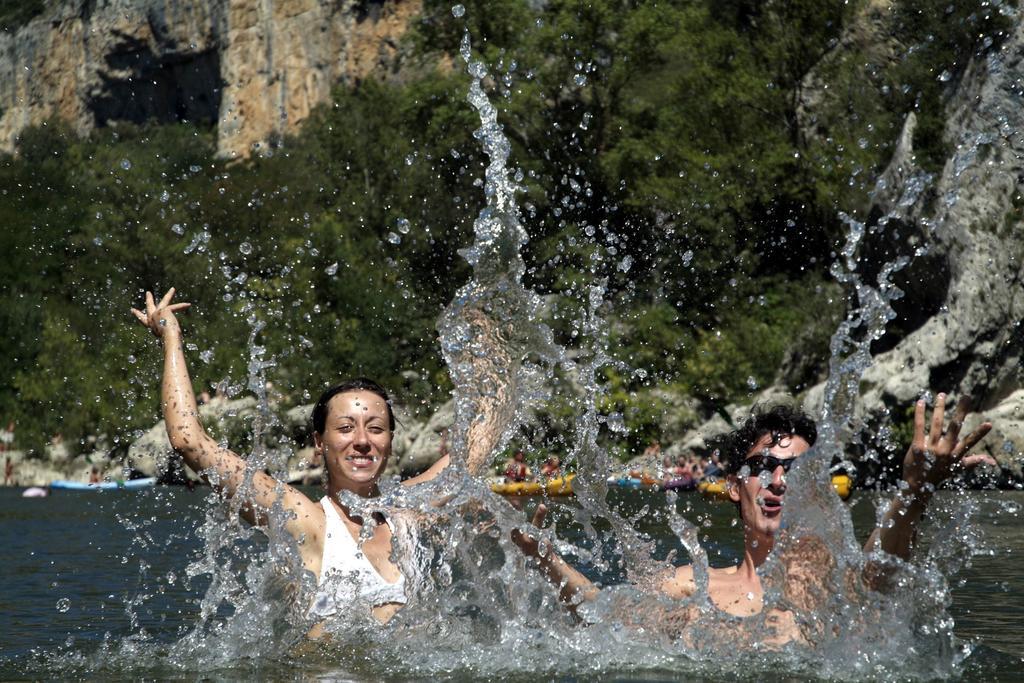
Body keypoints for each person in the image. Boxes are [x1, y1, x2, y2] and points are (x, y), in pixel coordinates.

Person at [132, 288, 476, 635]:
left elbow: (472, 453)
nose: (361, 441)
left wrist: (495, 347)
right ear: (319, 443)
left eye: (376, 428)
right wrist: (171, 338)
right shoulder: (301, 518)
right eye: (344, 428)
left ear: (389, 442)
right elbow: (189, 441)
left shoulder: (410, 515)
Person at [514, 397, 994, 627]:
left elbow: (881, 574)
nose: (778, 482)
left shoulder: (834, 583)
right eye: (763, 467)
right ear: (732, 486)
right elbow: (604, 617)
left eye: (796, 471)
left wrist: (915, 494)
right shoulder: (689, 585)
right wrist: (544, 558)